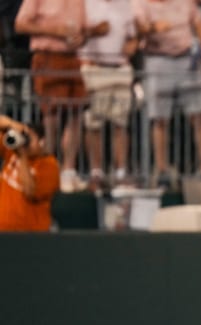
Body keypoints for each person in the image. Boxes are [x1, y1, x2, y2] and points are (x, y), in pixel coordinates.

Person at [14, 0, 109, 193]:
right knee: (52, 117)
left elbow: (80, 31)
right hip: (47, 56)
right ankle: (45, 166)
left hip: (73, 58)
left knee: (76, 115)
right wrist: (56, 31)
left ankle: (68, 171)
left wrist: (84, 35)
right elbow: (20, 24)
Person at [132, 0, 201, 188]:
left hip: (186, 58)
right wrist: (152, 28)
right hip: (157, 59)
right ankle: (162, 170)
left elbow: (197, 21)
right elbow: (138, 29)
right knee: (159, 119)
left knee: (200, 115)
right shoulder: (141, 3)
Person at [79, 0, 138, 189]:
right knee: (93, 123)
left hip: (120, 69)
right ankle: (96, 172)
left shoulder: (125, 4)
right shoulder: (85, 4)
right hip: (94, 68)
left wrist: (132, 45)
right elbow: (74, 34)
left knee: (120, 123)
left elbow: (133, 36)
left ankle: (121, 172)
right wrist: (93, 31)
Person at [0, 115, 59, 231]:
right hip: (3, 230)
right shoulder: (13, 151)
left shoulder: (50, 165)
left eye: (29, 138)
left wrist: (22, 157)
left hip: (29, 234)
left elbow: (30, 191)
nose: (25, 143)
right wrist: (11, 124)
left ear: (42, 141)